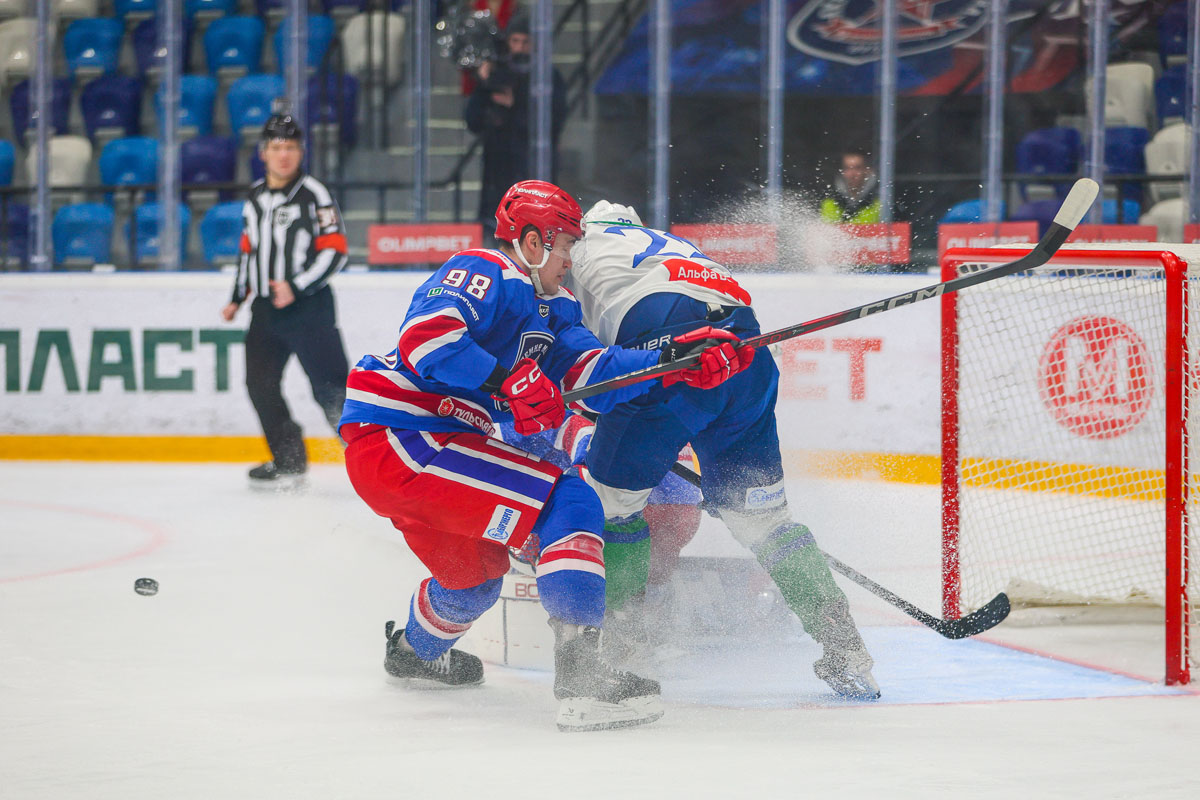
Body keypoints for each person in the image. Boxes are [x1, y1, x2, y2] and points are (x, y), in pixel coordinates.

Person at [336, 180, 754, 731]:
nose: (571, 259)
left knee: (474, 577)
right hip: (406, 435)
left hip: (427, 454)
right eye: (566, 245)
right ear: (532, 242)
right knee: (569, 502)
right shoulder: (488, 268)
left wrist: (675, 361)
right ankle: (583, 681)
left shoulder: (557, 309)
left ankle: (414, 653)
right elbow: (428, 339)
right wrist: (505, 380)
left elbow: (593, 376)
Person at [565, 199, 882, 700]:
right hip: (747, 359)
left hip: (668, 361)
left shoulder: (575, 250)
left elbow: (579, 361)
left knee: (610, 507)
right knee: (765, 520)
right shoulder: (675, 248)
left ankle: (622, 648)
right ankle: (843, 643)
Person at [221, 112, 350, 488]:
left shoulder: (315, 194)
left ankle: (372, 461)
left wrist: (297, 285)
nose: (284, 155)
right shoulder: (255, 197)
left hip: (310, 308)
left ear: (301, 152)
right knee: (259, 384)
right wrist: (237, 297)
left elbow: (336, 251)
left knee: (331, 389)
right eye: (277, 147)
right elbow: (248, 252)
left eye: (291, 147)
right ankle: (288, 460)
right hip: (265, 311)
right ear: (263, 152)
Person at [464, 13, 567, 233]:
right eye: (515, 41)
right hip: (498, 169)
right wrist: (484, 84)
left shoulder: (548, 77)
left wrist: (514, 105)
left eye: (525, 42)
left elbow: (553, 122)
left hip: (535, 165)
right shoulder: (496, 72)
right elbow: (473, 120)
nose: (520, 48)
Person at [820, 148, 882, 224]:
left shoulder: (880, 201)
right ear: (842, 171)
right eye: (847, 168)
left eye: (857, 168)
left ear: (867, 170)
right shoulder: (830, 202)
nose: (852, 174)